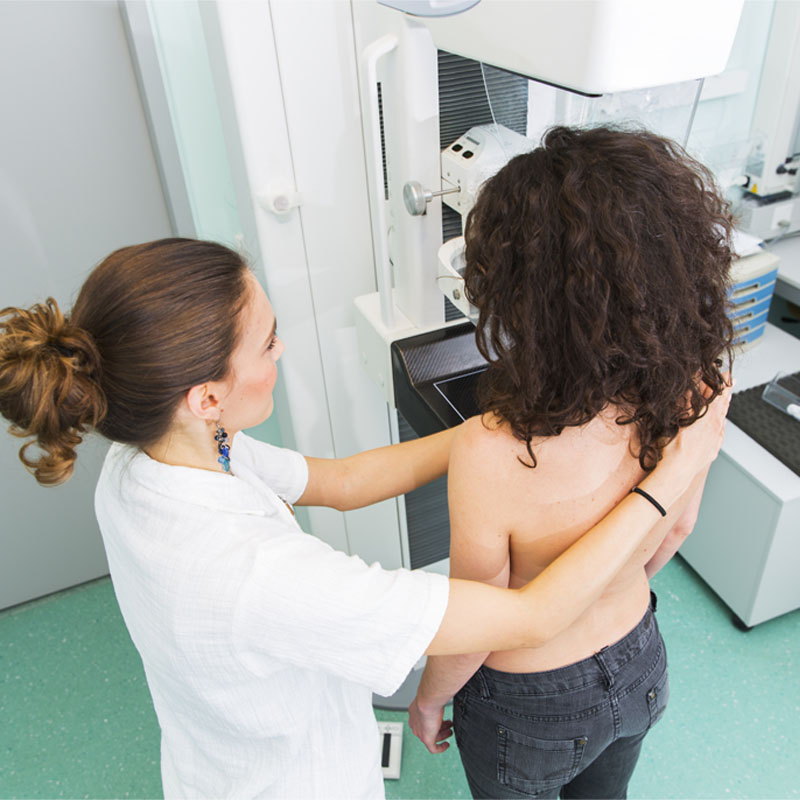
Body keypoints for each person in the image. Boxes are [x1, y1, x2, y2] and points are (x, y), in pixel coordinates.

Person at [0, 237, 729, 799]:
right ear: (206, 397)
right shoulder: (257, 575)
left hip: (215, 751)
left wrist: (500, 429)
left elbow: (342, 481)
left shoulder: (147, 457)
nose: (281, 347)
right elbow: (534, 615)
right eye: (267, 341)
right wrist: (674, 474)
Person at [408, 126, 735, 799]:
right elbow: (674, 529)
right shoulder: (700, 387)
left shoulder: (492, 451)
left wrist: (428, 697)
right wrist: (611, 590)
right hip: (641, 659)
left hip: (527, 704)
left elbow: (480, 620)